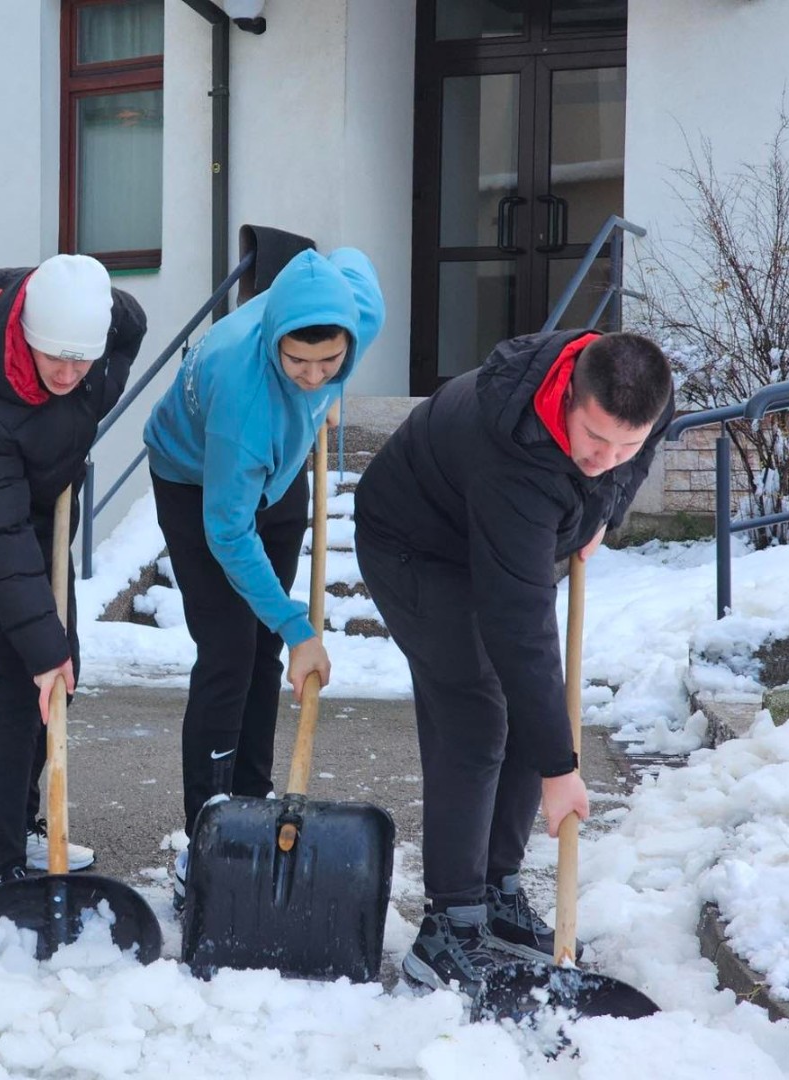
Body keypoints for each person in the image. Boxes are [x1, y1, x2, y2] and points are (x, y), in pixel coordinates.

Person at [352, 329, 674, 996]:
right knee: (476, 713)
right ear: (569, 400)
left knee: (533, 707)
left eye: (625, 445)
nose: (605, 458)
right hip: (415, 544)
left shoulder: (641, 401)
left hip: (489, 536)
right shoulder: (513, 454)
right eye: (594, 440)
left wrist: (602, 511)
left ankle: (495, 889)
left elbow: (631, 458)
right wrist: (561, 769)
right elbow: (518, 628)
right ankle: (449, 928)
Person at [143, 247, 384, 905]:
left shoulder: (359, 309)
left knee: (264, 653)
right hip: (197, 479)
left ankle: (252, 797)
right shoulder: (243, 402)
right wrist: (298, 624)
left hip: (279, 471)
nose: (312, 376)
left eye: (329, 363)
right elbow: (227, 532)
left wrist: (329, 394)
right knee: (229, 652)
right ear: (273, 340)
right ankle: (210, 832)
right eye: (297, 362)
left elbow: (351, 261)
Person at [0, 253, 147, 882]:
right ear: (28, 338)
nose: (70, 372)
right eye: (55, 358)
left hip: (36, 497)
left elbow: (127, 329)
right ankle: (4, 859)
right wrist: (42, 648)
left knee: (60, 676)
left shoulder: (100, 330)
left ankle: (32, 823)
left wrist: (70, 436)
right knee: (25, 673)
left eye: (81, 359)